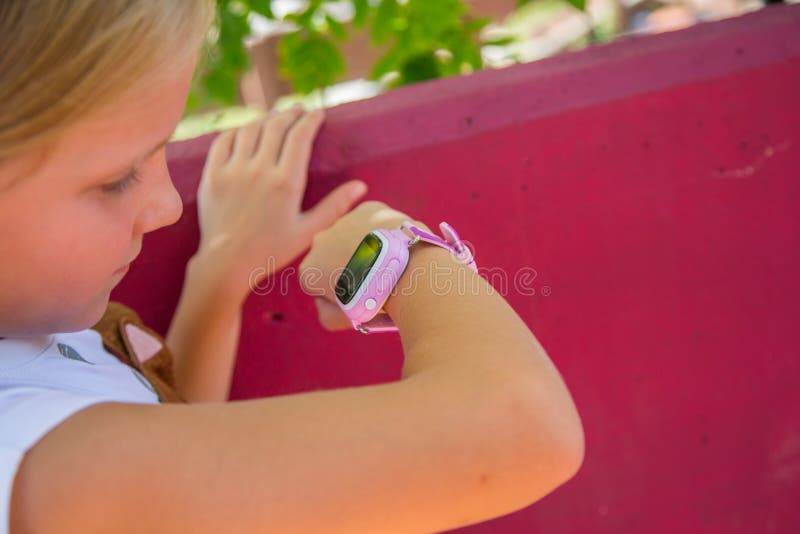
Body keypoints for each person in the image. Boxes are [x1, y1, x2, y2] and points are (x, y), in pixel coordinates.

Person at [0, 2, 584, 533]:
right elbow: (525, 431)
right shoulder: (38, 462)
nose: (168, 205)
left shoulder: (35, 349)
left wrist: (220, 278)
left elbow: (183, 461)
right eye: (116, 178)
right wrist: (396, 256)